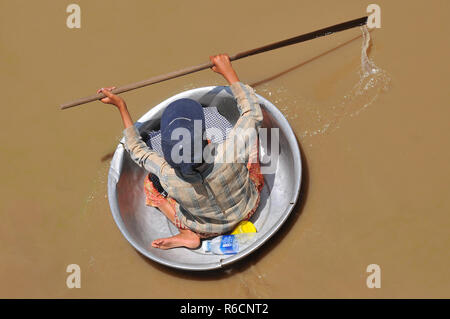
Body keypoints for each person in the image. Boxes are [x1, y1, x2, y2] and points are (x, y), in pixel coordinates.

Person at [98, 54, 264, 250]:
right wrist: (228, 72)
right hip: (249, 207)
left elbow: (136, 150)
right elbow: (251, 111)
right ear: (204, 138)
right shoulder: (230, 151)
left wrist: (121, 107)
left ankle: (187, 234)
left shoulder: (167, 175)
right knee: (252, 143)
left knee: (150, 185)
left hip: (207, 230)